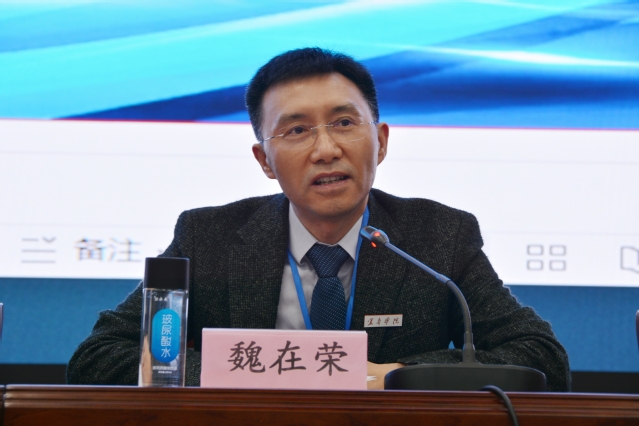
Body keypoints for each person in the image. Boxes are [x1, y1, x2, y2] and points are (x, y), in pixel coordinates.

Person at [67, 47, 570, 391]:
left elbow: (541, 356)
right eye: (297, 130)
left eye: (344, 123)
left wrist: (397, 374)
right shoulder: (209, 237)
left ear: (381, 141)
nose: (326, 149)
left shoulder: (438, 236)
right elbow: (99, 358)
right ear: (265, 160)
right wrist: (240, 373)